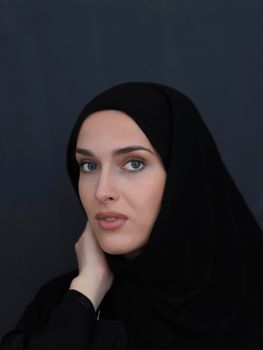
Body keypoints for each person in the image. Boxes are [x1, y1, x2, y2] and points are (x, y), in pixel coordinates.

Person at [1, 82, 262, 350]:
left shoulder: (253, 296)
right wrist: (86, 291)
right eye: (88, 166)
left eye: (134, 163)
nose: (102, 192)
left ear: (183, 175)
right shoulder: (63, 303)